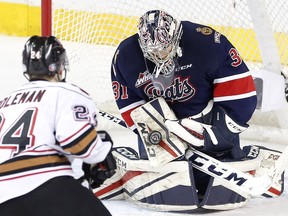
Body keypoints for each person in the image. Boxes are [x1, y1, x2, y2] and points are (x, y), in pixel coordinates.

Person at [94, 10, 285, 212]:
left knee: (219, 164)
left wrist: (221, 132)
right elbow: (130, 103)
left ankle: (230, 155)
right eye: (153, 51)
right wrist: (156, 133)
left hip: (205, 121)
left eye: (164, 49)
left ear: (177, 37)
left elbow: (238, 88)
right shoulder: (125, 56)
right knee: (162, 175)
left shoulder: (207, 43)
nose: (159, 55)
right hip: (164, 125)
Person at [0, 36, 115, 216]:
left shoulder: (4, 102)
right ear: (59, 66)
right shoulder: (67, 93)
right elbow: (80, 144)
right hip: (45, 185)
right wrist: (102, 153)